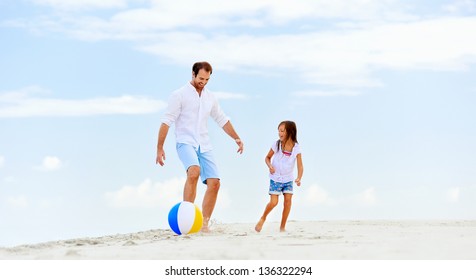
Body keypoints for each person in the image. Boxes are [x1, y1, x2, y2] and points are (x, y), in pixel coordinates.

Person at [156, 61, 244, 232]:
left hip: (204, 144)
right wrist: (160, 148)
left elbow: (222, 119)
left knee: (215, 183)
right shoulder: (179, 95)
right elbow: (166, 121)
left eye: (207, 79)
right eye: (201, 78)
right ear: (193, 74)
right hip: (185, 142)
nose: (203, 82)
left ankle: (204, 225)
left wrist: (236, 138)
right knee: (194, 171)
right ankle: (186, 221)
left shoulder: (210, 97)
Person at [255, 120, 303, 232]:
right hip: (275, 178)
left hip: (288, 179)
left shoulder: (296, 148)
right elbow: (267, 158)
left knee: (288, 201)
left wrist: (299, 177)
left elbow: (300, 166)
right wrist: (270, 166)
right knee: (273, 202)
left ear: (290, 132)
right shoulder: (276, 144)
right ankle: (263, 218)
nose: (279, 133)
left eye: (282, 131)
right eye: (278, 131)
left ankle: (282, 227)